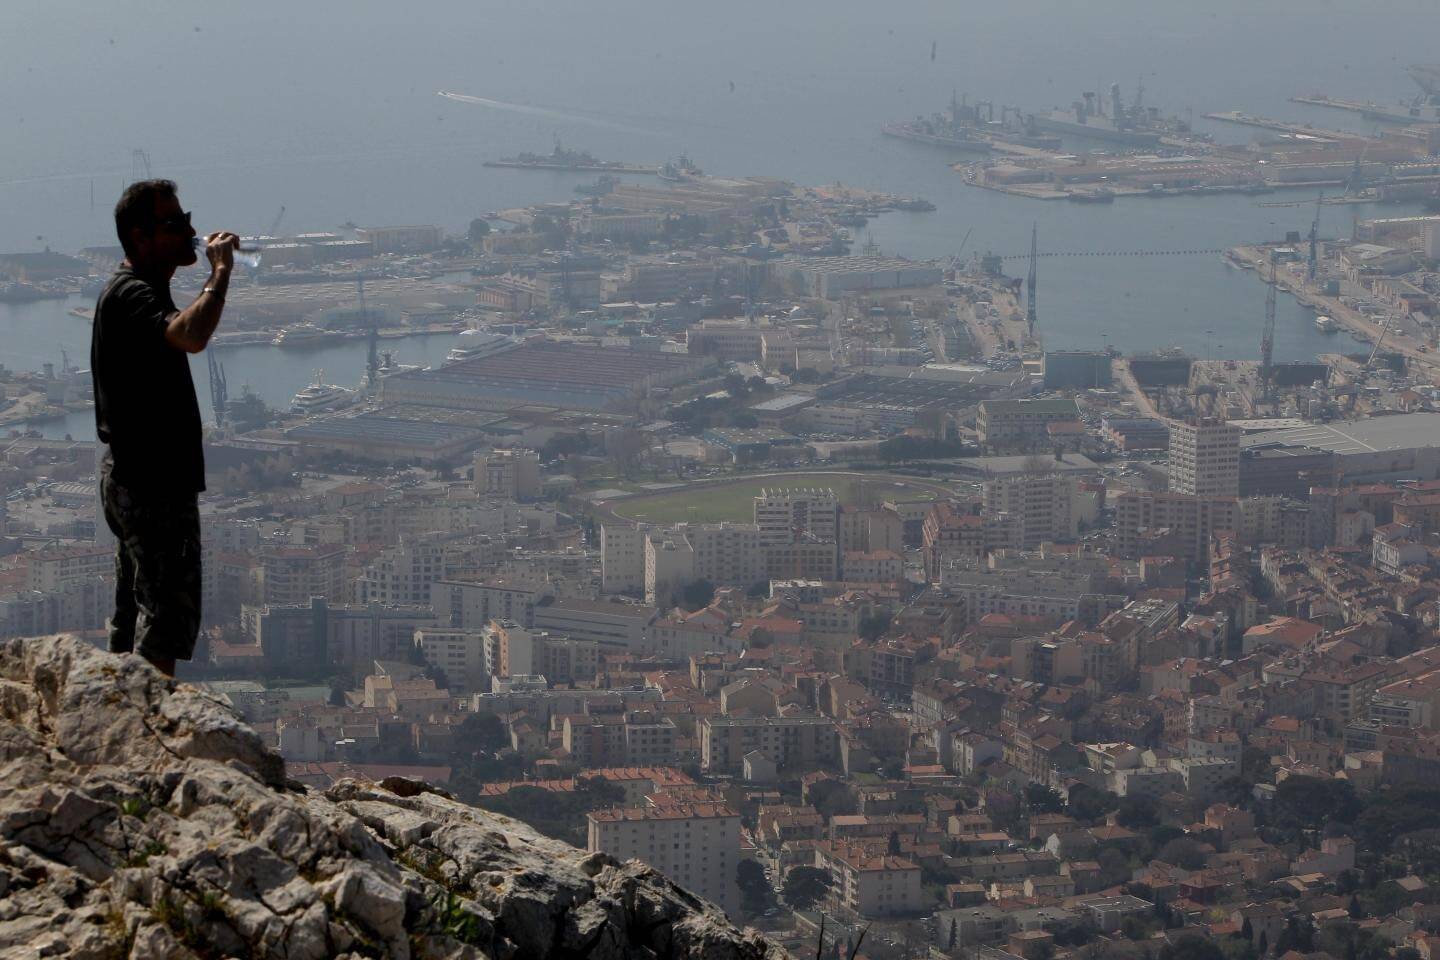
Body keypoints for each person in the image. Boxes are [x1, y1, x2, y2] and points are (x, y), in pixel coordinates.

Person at [91, 179, 238, 677]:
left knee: (135, 609)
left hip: (138, 475)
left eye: (186, 219)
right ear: (140, 236)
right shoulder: (131, 294)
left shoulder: (138, 291)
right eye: (175, 223)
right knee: (164, 617)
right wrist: (219, 274)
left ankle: (118, 701)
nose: (189, 230)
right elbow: (190, 335)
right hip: (151, 482)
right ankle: (151, 711)